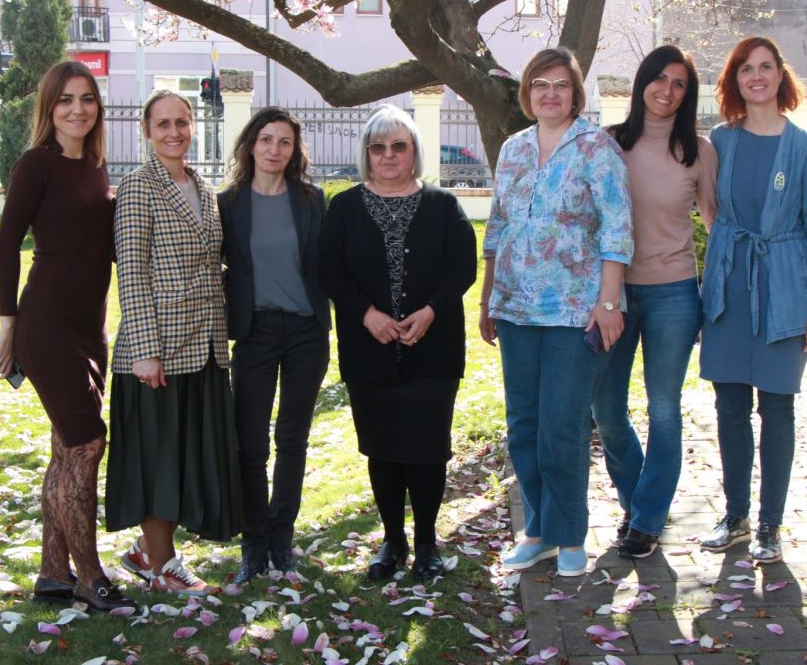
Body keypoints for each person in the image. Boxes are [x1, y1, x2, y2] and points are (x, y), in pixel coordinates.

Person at [0, 61, 136, 613]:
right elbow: (5, 246)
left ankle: (53, 572)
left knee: (64, 452)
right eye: (66, 100)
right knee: (86, 443)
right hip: (46, 324)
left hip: (89, 328)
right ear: (49, 109)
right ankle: (89, 576)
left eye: (88, 99)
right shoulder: (36, 165)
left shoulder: (96, 169)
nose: (78, 109)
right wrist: (9, 324)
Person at [480, 48, 633, 578]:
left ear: (575, 94)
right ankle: (540, 531)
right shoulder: (513, 149)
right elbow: (497, 227)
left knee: (562, 427)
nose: (550, 94)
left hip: (577, 312)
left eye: (561, 85)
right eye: (540, 84)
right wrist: (487, 299)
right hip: (517, 309)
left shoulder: (596, 148)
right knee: (523, 425)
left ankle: (570, 535)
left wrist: (609, 303)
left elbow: (617, 229)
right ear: (526, 92)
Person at [320, 105, 477, 581]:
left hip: (433, 351)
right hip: (369, 351)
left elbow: (462, 268)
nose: (388, 156)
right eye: (378, 147)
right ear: (367, 155)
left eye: (398, 146)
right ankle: (392, 542)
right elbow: (330, 270)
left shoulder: (443, 205)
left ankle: (427, 543)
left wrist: (430, 311)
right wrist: (367, 315)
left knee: (428, 450)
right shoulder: (343, 207)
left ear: (414, 152)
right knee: (383, 450)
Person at [698, 37, 807, 565]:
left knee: (777, 405)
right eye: (746, 69)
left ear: (781, 76)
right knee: (729, 405)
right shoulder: (720, 141)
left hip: (785, 289)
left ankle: (769, 526)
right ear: (734, 80)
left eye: (766, 67)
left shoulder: (805, 150)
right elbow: (708, 206)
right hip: (730, 286)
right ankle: (735, 517)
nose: (756, 76)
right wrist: (728, 247)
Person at [107, 90, 243, 596]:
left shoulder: (204, 188)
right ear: (146, 130)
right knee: (158, 459)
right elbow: (132, 272)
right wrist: (144, 349)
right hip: (156, 350)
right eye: (163, 124)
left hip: (203, 344)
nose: (174, 132)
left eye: (182, 122)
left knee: (184, 454)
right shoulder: (138, 188)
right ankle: (163, 569)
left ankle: (148, 553)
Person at [591, 45, 718, 559]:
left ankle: (645, 521)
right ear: (642, 81)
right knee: (607, 409)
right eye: (659, 79)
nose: (667, 90)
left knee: (664, 408)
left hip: (674, 294)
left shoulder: (698, 151)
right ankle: (637, 503)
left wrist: (720, 293)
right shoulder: (608, 144)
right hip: (613, 297)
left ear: (687, 94)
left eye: (680, 83)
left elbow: (716, 225)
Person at [219, 108, 331, 583]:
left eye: (284, 142)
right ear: (250, 145)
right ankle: (254, 544)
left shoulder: (311, 201)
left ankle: (282, 539)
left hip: (306, 332)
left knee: (292, 439)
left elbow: (329, 264)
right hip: (255, 332)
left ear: (294, 150)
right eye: (265, 140)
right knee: (250, 444)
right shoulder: (227, 204)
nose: (274, 150)